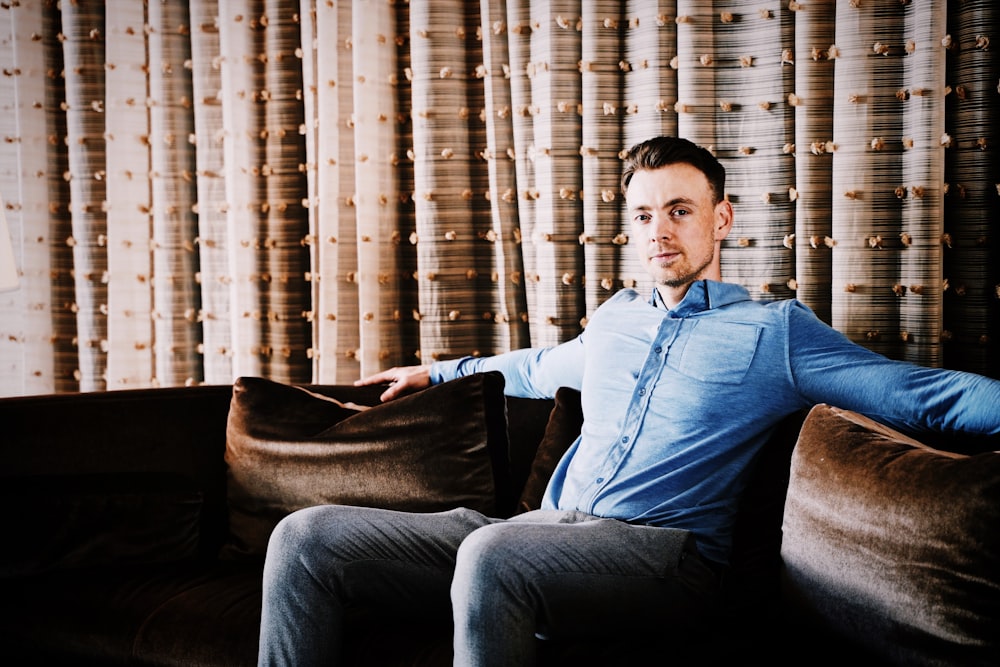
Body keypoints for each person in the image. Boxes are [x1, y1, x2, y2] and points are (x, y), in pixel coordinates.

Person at [258, 136, 1000, 666]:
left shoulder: (774, 333)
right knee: (306, 537)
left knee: (493, 554)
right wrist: (436, 371)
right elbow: (538, 366)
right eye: (644, 216)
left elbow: (924, 396)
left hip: (664, 560)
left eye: (679, 210)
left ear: (722, 218)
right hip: (541, 532)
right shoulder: (614, 317)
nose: (659, 231)